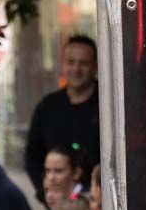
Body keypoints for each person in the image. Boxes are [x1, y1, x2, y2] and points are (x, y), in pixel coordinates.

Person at [25, 35, 100, 199]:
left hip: (101, 203)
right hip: (57, 203)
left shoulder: (108, 104)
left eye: (84, 63)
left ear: (95, 66)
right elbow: (33, 156)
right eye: (71, 62)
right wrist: (46, 192)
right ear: (62, 65)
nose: (76, 69)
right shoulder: (48, 106)